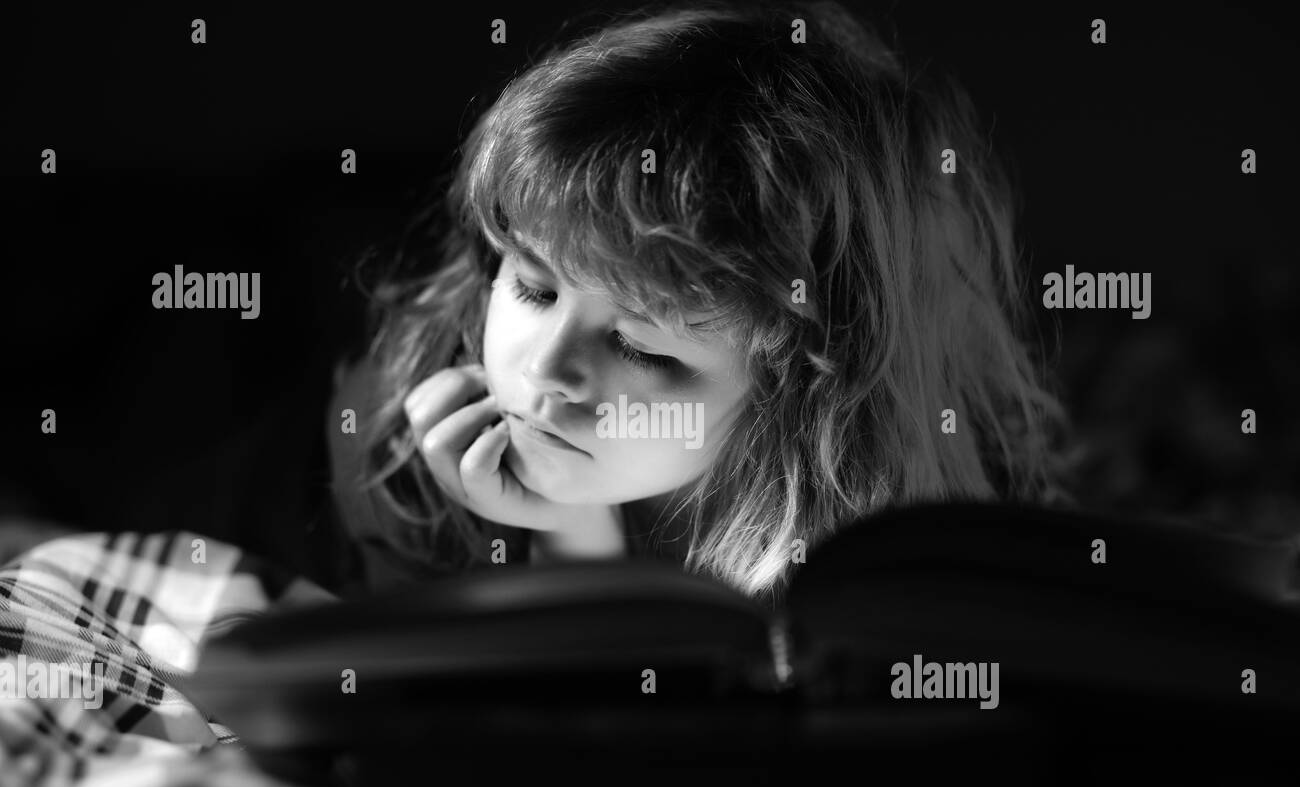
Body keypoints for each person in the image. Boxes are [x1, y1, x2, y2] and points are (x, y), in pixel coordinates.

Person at [324, 0, 1079, 610]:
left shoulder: (915, 548)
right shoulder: (402, 442)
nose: (546, 368)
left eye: (643, 347)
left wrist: (579, 541)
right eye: (532, 287)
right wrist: (562, 533)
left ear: (803, 393)